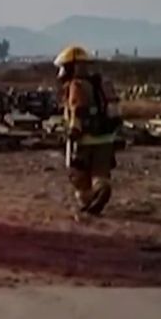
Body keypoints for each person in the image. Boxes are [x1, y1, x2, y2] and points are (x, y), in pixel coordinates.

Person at [55, 45, 122, 216]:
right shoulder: (101, 85)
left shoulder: (76, 86)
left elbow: (78, 109)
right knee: (100, 172)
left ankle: (89, 198)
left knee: (78, 176)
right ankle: (102, 188)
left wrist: (73, 131)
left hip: (85, 140)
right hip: (106, 139)